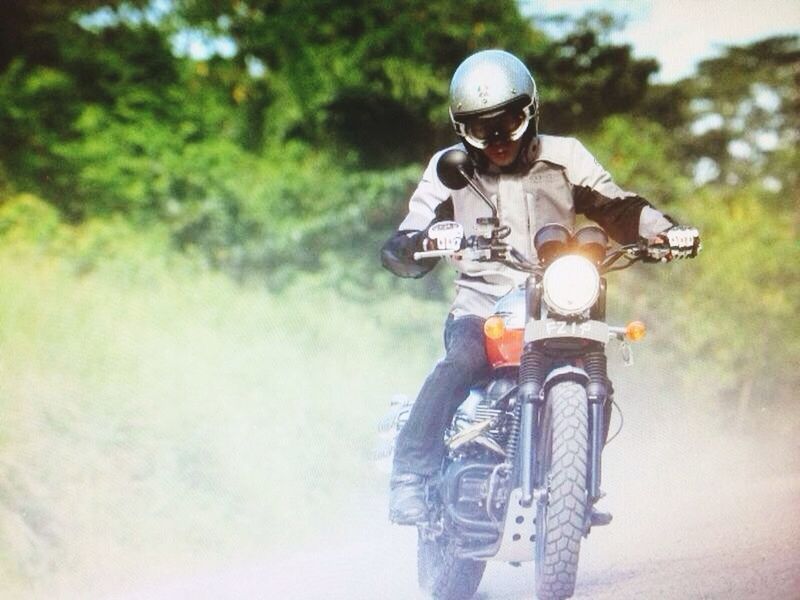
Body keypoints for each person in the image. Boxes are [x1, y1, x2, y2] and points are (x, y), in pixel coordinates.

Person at [380, 49, 700, 525]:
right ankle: (410, 474)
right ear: (460, 128)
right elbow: (415, 225)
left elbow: (618, 206)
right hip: (484, 308)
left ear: (529, 111)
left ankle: (576, 488)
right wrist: (417, 241)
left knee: (598, 370)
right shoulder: (449, 169)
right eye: (478, 128)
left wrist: (663, 231)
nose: (495, 139)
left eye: (506, 121)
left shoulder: (565, 156)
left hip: (558, 301)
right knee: (460, 362)